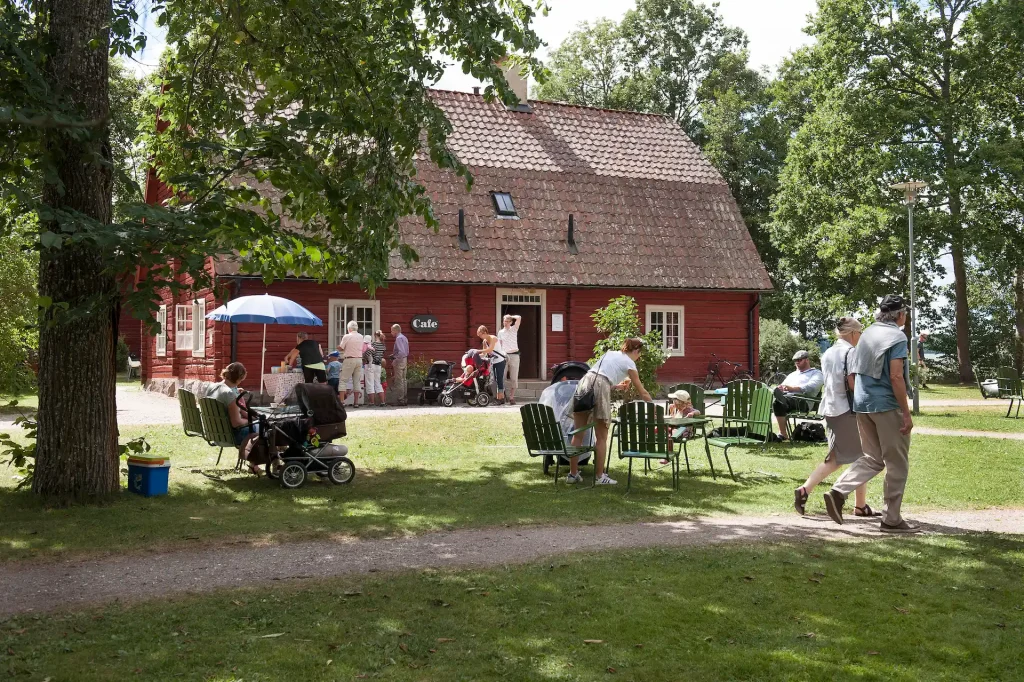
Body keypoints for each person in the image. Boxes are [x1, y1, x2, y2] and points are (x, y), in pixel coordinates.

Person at [823, 295, 918, 533]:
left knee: (873, 458)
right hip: (886, 405)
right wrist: (906, 413)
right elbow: (896, 376)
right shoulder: (897, 336)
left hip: (862, 404)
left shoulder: (866, 335)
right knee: (896, 462)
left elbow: (854, 373)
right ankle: (892, 520)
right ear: (900, 315)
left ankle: (838, 491)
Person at [793, 317, 878, 517]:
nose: (861, 336)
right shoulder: (851, 352)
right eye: (860, 333)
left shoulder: (828, 352)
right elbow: (852, 383)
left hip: (831, 408)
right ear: (853, 333)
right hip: (847, 410)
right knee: (862, 457)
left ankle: (857, 504)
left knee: (843, 458)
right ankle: (853, 502)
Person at [568, 338, 653, 486]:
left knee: (578, 433)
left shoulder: (609, 354)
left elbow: (598, 377)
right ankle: (600, 477)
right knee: (601, 437)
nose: (639, 357)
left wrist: (615, 387)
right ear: (635, 351)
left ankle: (572, 474)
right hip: (600, 385)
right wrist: (653, 407)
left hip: (584, 383)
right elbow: (642, 391)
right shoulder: (629, 363)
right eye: (639, 354)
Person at [206, 362, 260, 474]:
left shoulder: (212, 388)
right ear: (239, 378)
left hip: (216, 433)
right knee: (267, 428)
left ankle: (255, 464)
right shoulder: (229, 394)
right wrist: (252, 421)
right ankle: (259, 465)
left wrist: (237, 393)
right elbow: (236, 422)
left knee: (261, 426)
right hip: (231, 435)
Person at [773, 350, 825, 440]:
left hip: (803, 401)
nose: (797, 362)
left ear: (807, 360)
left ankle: (782, 433)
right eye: (795, 360)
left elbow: (812, 387)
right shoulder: (792, 375)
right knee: (777, 402)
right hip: (788, 398)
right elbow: (784, 386)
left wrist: (792, 389)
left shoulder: (816, 373)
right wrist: (781, 388)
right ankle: (781, 433)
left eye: (799, 360)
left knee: (780, 401)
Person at [478, 325, 508, 404]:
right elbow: (484, 353)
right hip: (493, 361)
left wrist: (477, 350)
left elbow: (490, 349)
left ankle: (501, 398)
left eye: (480, 335)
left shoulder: (493, 338)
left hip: (500, 361)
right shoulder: (484, 341)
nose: (480, 337)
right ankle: (499, 398)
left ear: (484, 332)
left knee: (499, 379)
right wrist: (475, 354)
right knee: (493, 380)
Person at [337, 321, 364, 406]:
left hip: (349, 359)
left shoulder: (347, 336)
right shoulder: (361, 336)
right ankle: (356, 403)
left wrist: (338, 347)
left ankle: (342, 401)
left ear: (349, 329)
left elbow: (341, 348)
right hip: (359, 359)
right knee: (356, 381)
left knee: (343, 380)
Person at [498, 314, 522, 405]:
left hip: (514, 355)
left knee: (513, 377)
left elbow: (519, 317)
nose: (505, 323)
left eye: (507, 321)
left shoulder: (514, 329)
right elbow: (499, 344)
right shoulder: (500, 332)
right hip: (504, 355)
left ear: (511, 322)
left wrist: (510, 316)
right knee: (502, 376)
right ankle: (502, 396)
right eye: (504, 321)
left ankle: (512, 397)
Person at [366, 330, 387, 407]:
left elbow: (368, 353)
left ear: (375, 335)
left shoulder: (373, 344)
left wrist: (364, 353)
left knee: (370, 383)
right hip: (379, 365)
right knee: (378, 383)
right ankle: (382, 402)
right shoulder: (383, 345)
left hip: (371, 365)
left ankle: (372, 402)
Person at [390, 324, 409, 406]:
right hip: (405, 359)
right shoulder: (404, 337)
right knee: (404, 380)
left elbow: (401, 352)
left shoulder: (398, 338)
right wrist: (394, 355)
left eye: (392, 331)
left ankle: (400, 399)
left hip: (400, 360)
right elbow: (405, 351)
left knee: (399, 381)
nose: (391, 332)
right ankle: (404, 399)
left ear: (395, 330)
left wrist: (395, 360)